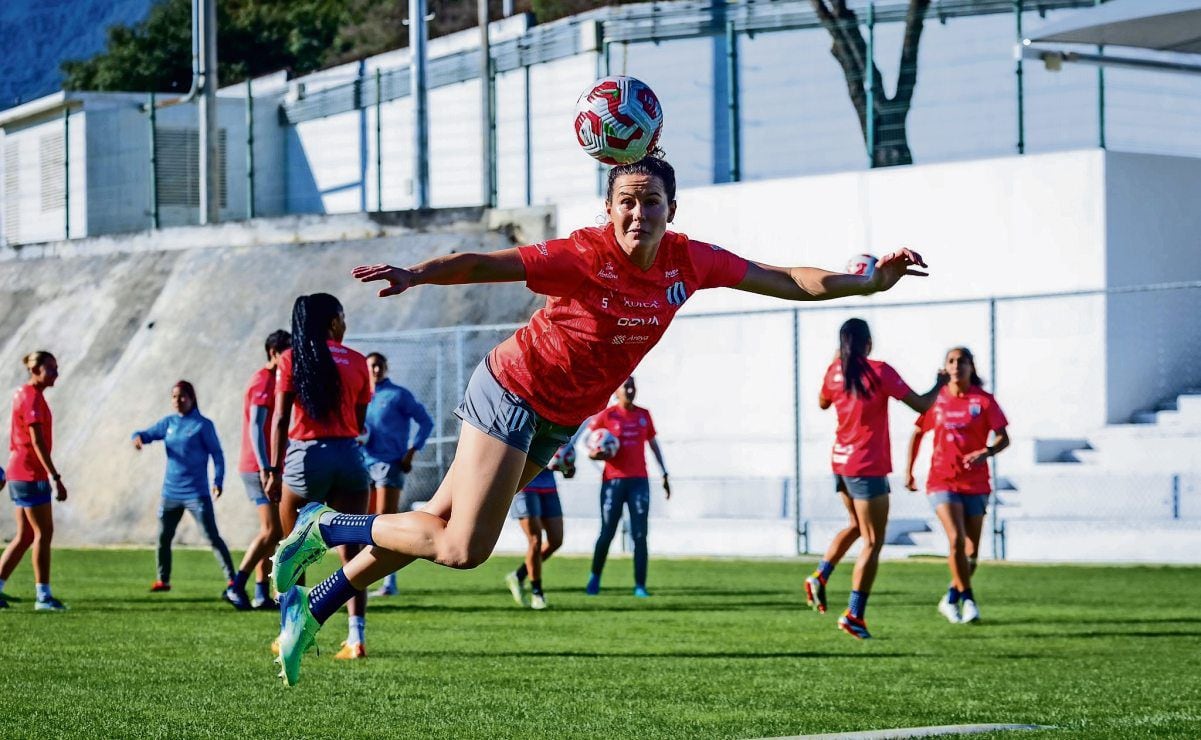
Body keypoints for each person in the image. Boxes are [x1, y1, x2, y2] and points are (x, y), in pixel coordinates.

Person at [270, 153, 928, 685]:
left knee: (425, 529)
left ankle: (311, 606)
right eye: (626, 201)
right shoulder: (583, 253)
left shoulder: (689, 260)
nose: (638, 211)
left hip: (559, 418)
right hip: (513, 387)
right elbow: (483, 264)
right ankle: (325, 526)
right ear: (609, 208)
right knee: (460, 548)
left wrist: (861, 284)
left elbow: (783, 278)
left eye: (651, 202)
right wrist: (418, 274)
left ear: (672, 210)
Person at [804, 319, 945, 640]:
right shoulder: (879, 371)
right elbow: (921, 405)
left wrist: (835, 363)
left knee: (856, 525)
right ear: (868, 343)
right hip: (867, 466)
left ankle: (821, 575)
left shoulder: (833, 372)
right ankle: (854, 614)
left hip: (840, 464)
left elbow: (822, 403)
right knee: (872, 540)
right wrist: (938, 384)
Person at [266, 293, 373, 660]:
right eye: (342, 318)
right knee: (353, 553)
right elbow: (359, 423)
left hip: (306, 458)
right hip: (349, 457)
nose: (346, 325)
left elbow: (280, 419)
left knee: (292, 552)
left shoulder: (290, 358)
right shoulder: (358, 361)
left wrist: (272, 469)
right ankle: (356, 638)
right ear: (332, 323)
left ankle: (290, 634)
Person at [905, 346, 1009, 625]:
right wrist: (910, 472)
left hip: (976, 483)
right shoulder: (936, 400)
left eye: (961, 361)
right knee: (956, 540)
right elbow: (917, 433)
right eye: (950, 361)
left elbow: (1003, 438)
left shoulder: (983, 400)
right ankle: (969, 601)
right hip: (942, 481)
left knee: (972, 550)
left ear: (971, 366)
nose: (955, 366)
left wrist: (986, 452)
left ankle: (951, 596)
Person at [132, 381, 237, 602]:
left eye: (182, 397)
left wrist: (217, 480)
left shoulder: (202, 425)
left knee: (211, 536)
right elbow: (145, 433)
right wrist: (137, 437)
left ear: (191, 398)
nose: (177, 401)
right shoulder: (168, 423)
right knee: (163, 537)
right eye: (174, 397)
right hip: (170, 493)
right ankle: (163, 580)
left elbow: (217, 455)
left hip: (196, 493)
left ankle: (232, 580)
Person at [585, 376, 670, 598]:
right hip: (613, 482)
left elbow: (653, 444)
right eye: (626, 386)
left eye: (633, 386)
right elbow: (589, 446)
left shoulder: (643, 415)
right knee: (607, 532)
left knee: (640, 534)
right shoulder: (607, 415)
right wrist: (595, 455)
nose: (630, 390)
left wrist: (664, 472)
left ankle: (640, 585)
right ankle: (594, 577)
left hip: (638, 482)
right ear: (616, 391)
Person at [226, 330, 291, 611]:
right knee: (272, 529)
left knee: (274, 532)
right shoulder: (263, 380)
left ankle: (261, 592)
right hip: (259, 467)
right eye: (287, 351)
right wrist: (267, 467)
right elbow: (256, 426)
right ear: (273, 352)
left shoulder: (278, 379)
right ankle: (235, 585)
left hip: (271, 466)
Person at [360, 352, 434, 597]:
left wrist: (412, 451)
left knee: (385, 522)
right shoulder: (359, 395)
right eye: (372, 366)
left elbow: (426, 422)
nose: (376, 370)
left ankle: (389, 583)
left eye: (380, 366)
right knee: (363, 522)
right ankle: (361, 578)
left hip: (389, 464)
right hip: (362, 464)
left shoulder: (398, 395)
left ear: (386, 368)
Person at [0, 351, 68, 611]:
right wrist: (54, 476)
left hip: (18, 471)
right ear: (36, 369)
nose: (56, 374)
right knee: (44, 532)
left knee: (26, 534)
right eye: (51, 368)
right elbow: (36, 440)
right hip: (30, 473)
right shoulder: (31, 397)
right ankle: (43, 596)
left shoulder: (25, 393)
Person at [503, 439, 577, 610]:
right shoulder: (526, 423)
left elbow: (563, 462)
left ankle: (518, 575)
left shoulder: (556, 425)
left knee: (556, 540)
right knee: (535, 540)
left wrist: (567, 466)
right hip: (525, 486)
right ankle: (537, 593)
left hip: (549, 486)